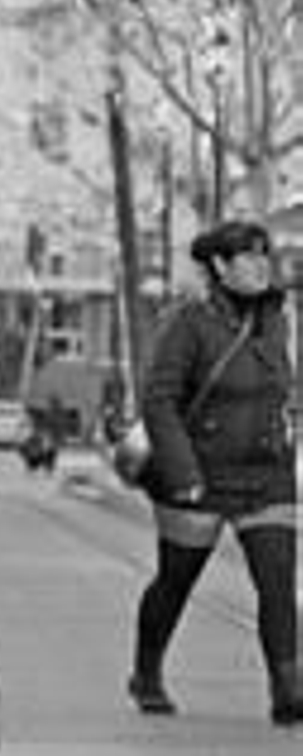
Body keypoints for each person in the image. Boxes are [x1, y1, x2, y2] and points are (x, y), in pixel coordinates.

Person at [127, 219, 303, 725]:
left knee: (277, 580)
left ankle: (288, 689)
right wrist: (183, 472)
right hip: (198, 477)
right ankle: (147, 672)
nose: (260, 264)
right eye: (247, 256)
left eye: (263, 254)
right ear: (220, 267)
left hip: (267, 476)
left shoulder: (277, 319)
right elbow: (160, 401)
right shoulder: (190, 323)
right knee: (175, 581)